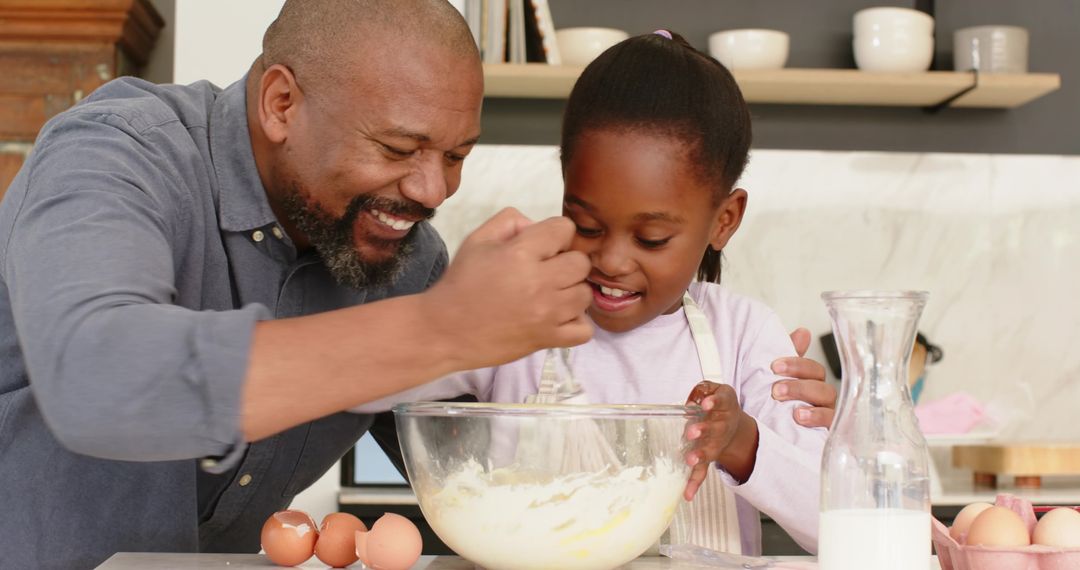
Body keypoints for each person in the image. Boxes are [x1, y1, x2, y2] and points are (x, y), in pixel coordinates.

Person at [0, 1, 831, 567]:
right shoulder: (119, 152)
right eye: (400, 150)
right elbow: (97, 376)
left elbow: (494, 483)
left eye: (457, 156)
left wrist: (818, 431)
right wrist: (446, 327)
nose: (435, 194)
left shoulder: (407, 263)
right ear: (282, 102)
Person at [354, 31, 827, 556]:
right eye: (587, 224)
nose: (612, 261)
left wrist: (741, 440)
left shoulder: (743, 335)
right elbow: (354, 387)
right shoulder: (521, 314)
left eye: (651, 238)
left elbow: (843, 522)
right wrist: (454, 313)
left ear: (724, 220)